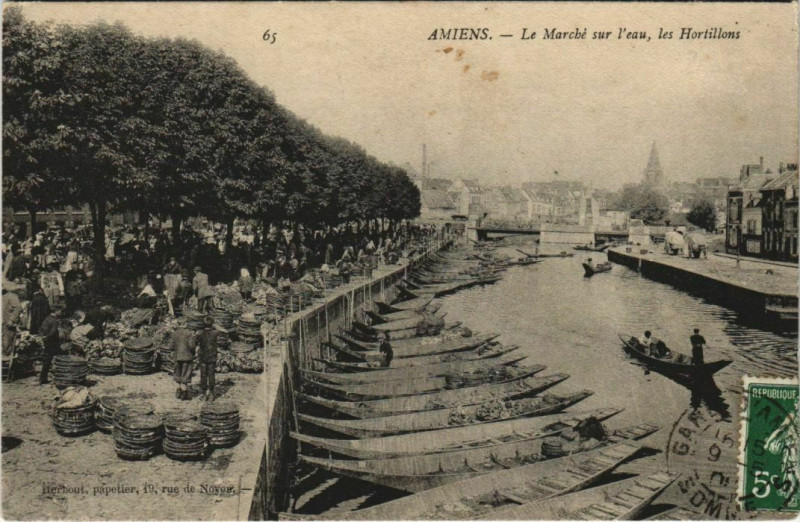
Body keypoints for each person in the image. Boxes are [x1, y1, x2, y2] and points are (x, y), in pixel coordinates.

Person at [196, 316, 219, 401]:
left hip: (203, 357)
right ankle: (212, 393)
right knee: (211, 374)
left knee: (203, 375)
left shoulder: (200, 333)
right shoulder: (215, 333)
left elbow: (195, 342)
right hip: (212, 356)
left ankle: (204, 393)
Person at [171, 326, 196, 400]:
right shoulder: (189, 334)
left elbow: (171, 346)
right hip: (187, 357)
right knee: (186, 374)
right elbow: (192, 346)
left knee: (177, 373)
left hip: (177, 357)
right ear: (185, 324)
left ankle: (178, 391)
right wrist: (193, 353)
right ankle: (184, 393)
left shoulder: (174, 334)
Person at [39, 308, 62, 385]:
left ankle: (43, 378)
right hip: (53, 343)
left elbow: (41, 329)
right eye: (60, 310)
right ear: (55, 311)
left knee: (47, 360)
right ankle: (60, 376)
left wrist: (43, 337)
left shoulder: (47, 319)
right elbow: (53, 331)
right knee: (60, 359)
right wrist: (47, 337)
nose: (61, 312)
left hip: (47, 342)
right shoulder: (54, 320)